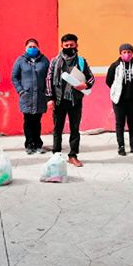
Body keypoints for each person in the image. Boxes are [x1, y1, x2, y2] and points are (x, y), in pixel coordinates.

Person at [46, 33, 95, 167]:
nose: (69, 47)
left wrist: (85, 85)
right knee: (57, 129)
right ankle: (56, 155)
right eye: (66, 45)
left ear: (76, 45)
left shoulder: (81, 61)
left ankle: (73, 155)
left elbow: (91, 78)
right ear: (62, 45)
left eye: (71, 45)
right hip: (59, 100)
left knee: (75, 129)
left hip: (75, 100)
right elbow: (49, 79)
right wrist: (50, 98)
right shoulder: (55, 61)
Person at [106, 43, 133, 156]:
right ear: (120, 53)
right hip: (119, 100)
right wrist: (117, 91)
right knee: (120, 123)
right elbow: (109, 81)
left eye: (129, 52)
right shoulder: (115, 66)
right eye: (124, 52)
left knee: (132, 123)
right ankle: (121, 146)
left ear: (132, 53)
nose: (127, 54)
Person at [11, 38, 50, 154]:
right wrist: (20, 91)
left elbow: (49, 76)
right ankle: (29, 144)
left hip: (40, 96)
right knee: (28, 121)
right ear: (25, 48)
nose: (32, 49)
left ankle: (38, 144)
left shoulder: (44, 60)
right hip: (26, 96)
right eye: (30, 47)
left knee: (37, 121)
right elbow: (14, 77)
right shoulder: (20, 61)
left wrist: (47, 92)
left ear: (38, 48)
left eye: (34, 47)